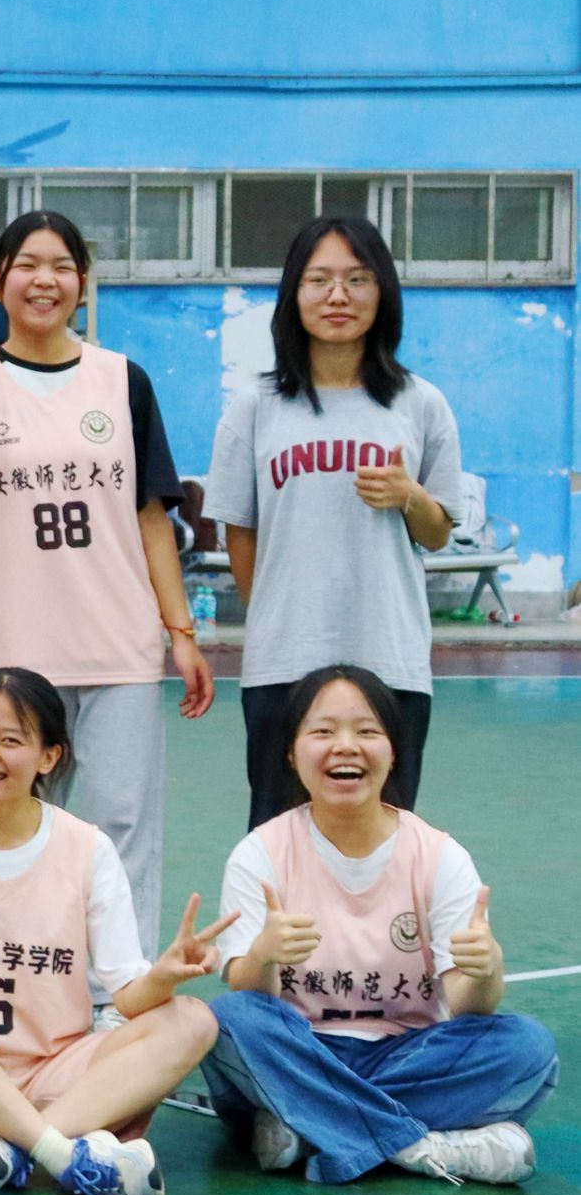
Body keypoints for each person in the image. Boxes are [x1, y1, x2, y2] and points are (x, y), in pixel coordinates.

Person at [0, 210, 212, 967]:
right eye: (27, 264)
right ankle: (21, 977)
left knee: (123, 832)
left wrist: (181, 633)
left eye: (62, 266)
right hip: (17, 652)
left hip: (118, 645)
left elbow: (151, 516)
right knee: (16, 827)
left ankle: (119, 993)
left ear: (82, 285)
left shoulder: (122, 380)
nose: (44, 280)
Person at [0, 667, 227, 1195]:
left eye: (10, 740)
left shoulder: (87, 849)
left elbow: (127, 994)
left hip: (54, 1074)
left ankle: (5, 1148)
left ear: (49, 757)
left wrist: (165, 977)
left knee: (193, 1019)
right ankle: (60, 1154)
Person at [204, 665, 556, 1186]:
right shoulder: (260, 854)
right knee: (228, 1020)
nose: (345, 746)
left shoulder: (439, 856)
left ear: (393, 752)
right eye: (323, 731)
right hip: (298, 1050)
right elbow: (248, 994)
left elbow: (469, 1006)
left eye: (367, 731)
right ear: (291, 752)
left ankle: (313, 1128)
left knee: (528, 1047)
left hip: (409, 1052)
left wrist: (487, 971)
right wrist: (263, 955)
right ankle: (420, 1146)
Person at [206, 217, 462, 827]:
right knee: (280, 835)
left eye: (357, 279)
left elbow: (438, 533)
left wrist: (409, 495)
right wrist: (280, 613)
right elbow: (240, 531)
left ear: (383, 292)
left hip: (390, 655)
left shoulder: (420, 403)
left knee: (384, 834)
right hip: (284, 660)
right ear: (294, 295)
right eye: (319, 280)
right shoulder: (256, 406)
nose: (338, 296)